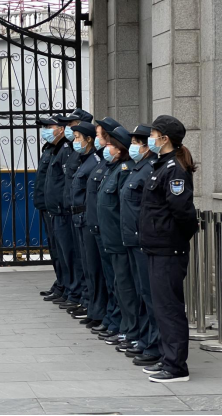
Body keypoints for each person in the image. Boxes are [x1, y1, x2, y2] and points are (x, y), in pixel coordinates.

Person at [139, 115, 198, 383]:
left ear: (165, 138)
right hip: (157, 246)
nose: (150, 138)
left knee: (170, 308)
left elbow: (182, 211)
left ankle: (176, 367)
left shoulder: (174, 168)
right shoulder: (160, 165)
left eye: (153, 134)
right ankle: (167, 358)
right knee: (161, 307)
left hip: (168, 249)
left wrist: (177, 237)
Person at [120, 125, 161, 367]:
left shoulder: (150, 169)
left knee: (150, 294)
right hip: (132, 240)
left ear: (148, 145)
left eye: (138, 142)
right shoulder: (138, 168)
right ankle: (145, 340)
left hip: (143, 241)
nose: (133, 146)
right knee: (141, 293)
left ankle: (154, 344)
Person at [97, 126, 139, 349]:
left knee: (127, 287)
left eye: (110, 144)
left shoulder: (125, 170)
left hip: (121, 240)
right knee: (119, 286)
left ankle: (130, 330)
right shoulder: (114, 168)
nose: (106, 147)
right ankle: (125, 327)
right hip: (111, 239)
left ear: (121, 149)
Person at [87, 118, 123, 341]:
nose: (102, 142)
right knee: (110, 280)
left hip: (116, 235)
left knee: (120, 283)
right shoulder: (105, 164)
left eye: (103, 137)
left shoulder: (120, 168)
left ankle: (119, 323)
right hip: (102, 230)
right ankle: (112, 318)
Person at [41, 115, 81, 308]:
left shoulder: (67, 149)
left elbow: (67, 182)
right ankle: (64, 286)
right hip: (52, 208)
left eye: (50, 126)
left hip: (63, 210)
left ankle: (72, 290)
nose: (46, 130)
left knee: (69, 253)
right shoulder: (53, 148)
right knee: (58, 252)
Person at [68, 121, 102, 327]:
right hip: (79, 218)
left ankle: (96, 308)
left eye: (79, 137)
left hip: (87, 218)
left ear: (89, 139)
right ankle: (91, 305)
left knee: (94, 267)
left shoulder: (94, 161)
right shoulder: (84, 160)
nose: (75, 141)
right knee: (87, 266)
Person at [34, 120, 65, 299]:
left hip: (56, 208)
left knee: (62, 251)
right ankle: (61, 282)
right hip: (46, 205)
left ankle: (66, 286)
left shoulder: (63, 149)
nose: (45, 131)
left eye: (49, 127)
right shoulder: (49, 148)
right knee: (55, 249)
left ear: (61, 129)